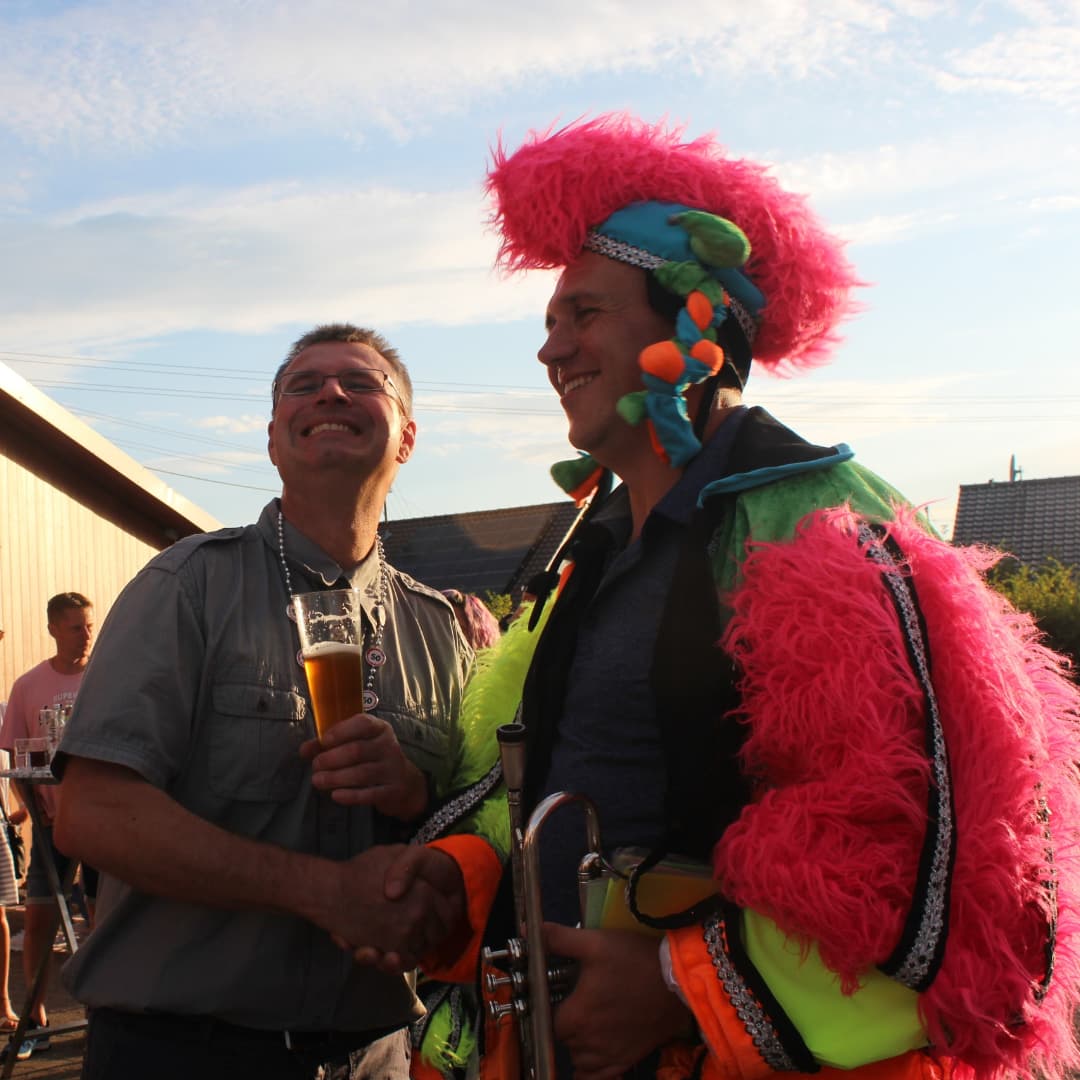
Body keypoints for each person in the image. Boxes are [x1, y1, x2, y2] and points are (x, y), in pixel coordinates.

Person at [412, 115, 1080, 1080]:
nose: (551, 352)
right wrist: (455, 871)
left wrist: (682, 983)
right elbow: (552, 776)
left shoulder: (820, 524)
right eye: (551, 322)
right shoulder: (588, 550)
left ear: (695, 325)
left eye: (584, 314)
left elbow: (922, 849)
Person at [51, 324, 505, 1080]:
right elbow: (92, 812)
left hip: (379, 1055)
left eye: (361, 383)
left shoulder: (442, 629)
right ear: (272, 440)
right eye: (305, 384)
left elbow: (477, 832)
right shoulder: (186, 586)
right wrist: (324, 893)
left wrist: (416, 794)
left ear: (407, 437)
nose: (331, 392)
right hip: (181, 1052)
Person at [0, 591, 96, 1060]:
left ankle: (105, 1014)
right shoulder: (28, 686)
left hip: (105, 822)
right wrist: (30, 810)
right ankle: (36, 1016)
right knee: (39, 916)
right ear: (54, 629)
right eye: (76, 626)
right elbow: (19, 758)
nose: (86, 634)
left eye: (90, 625)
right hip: (52, 823)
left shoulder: (108, 678)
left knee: (102, 918)